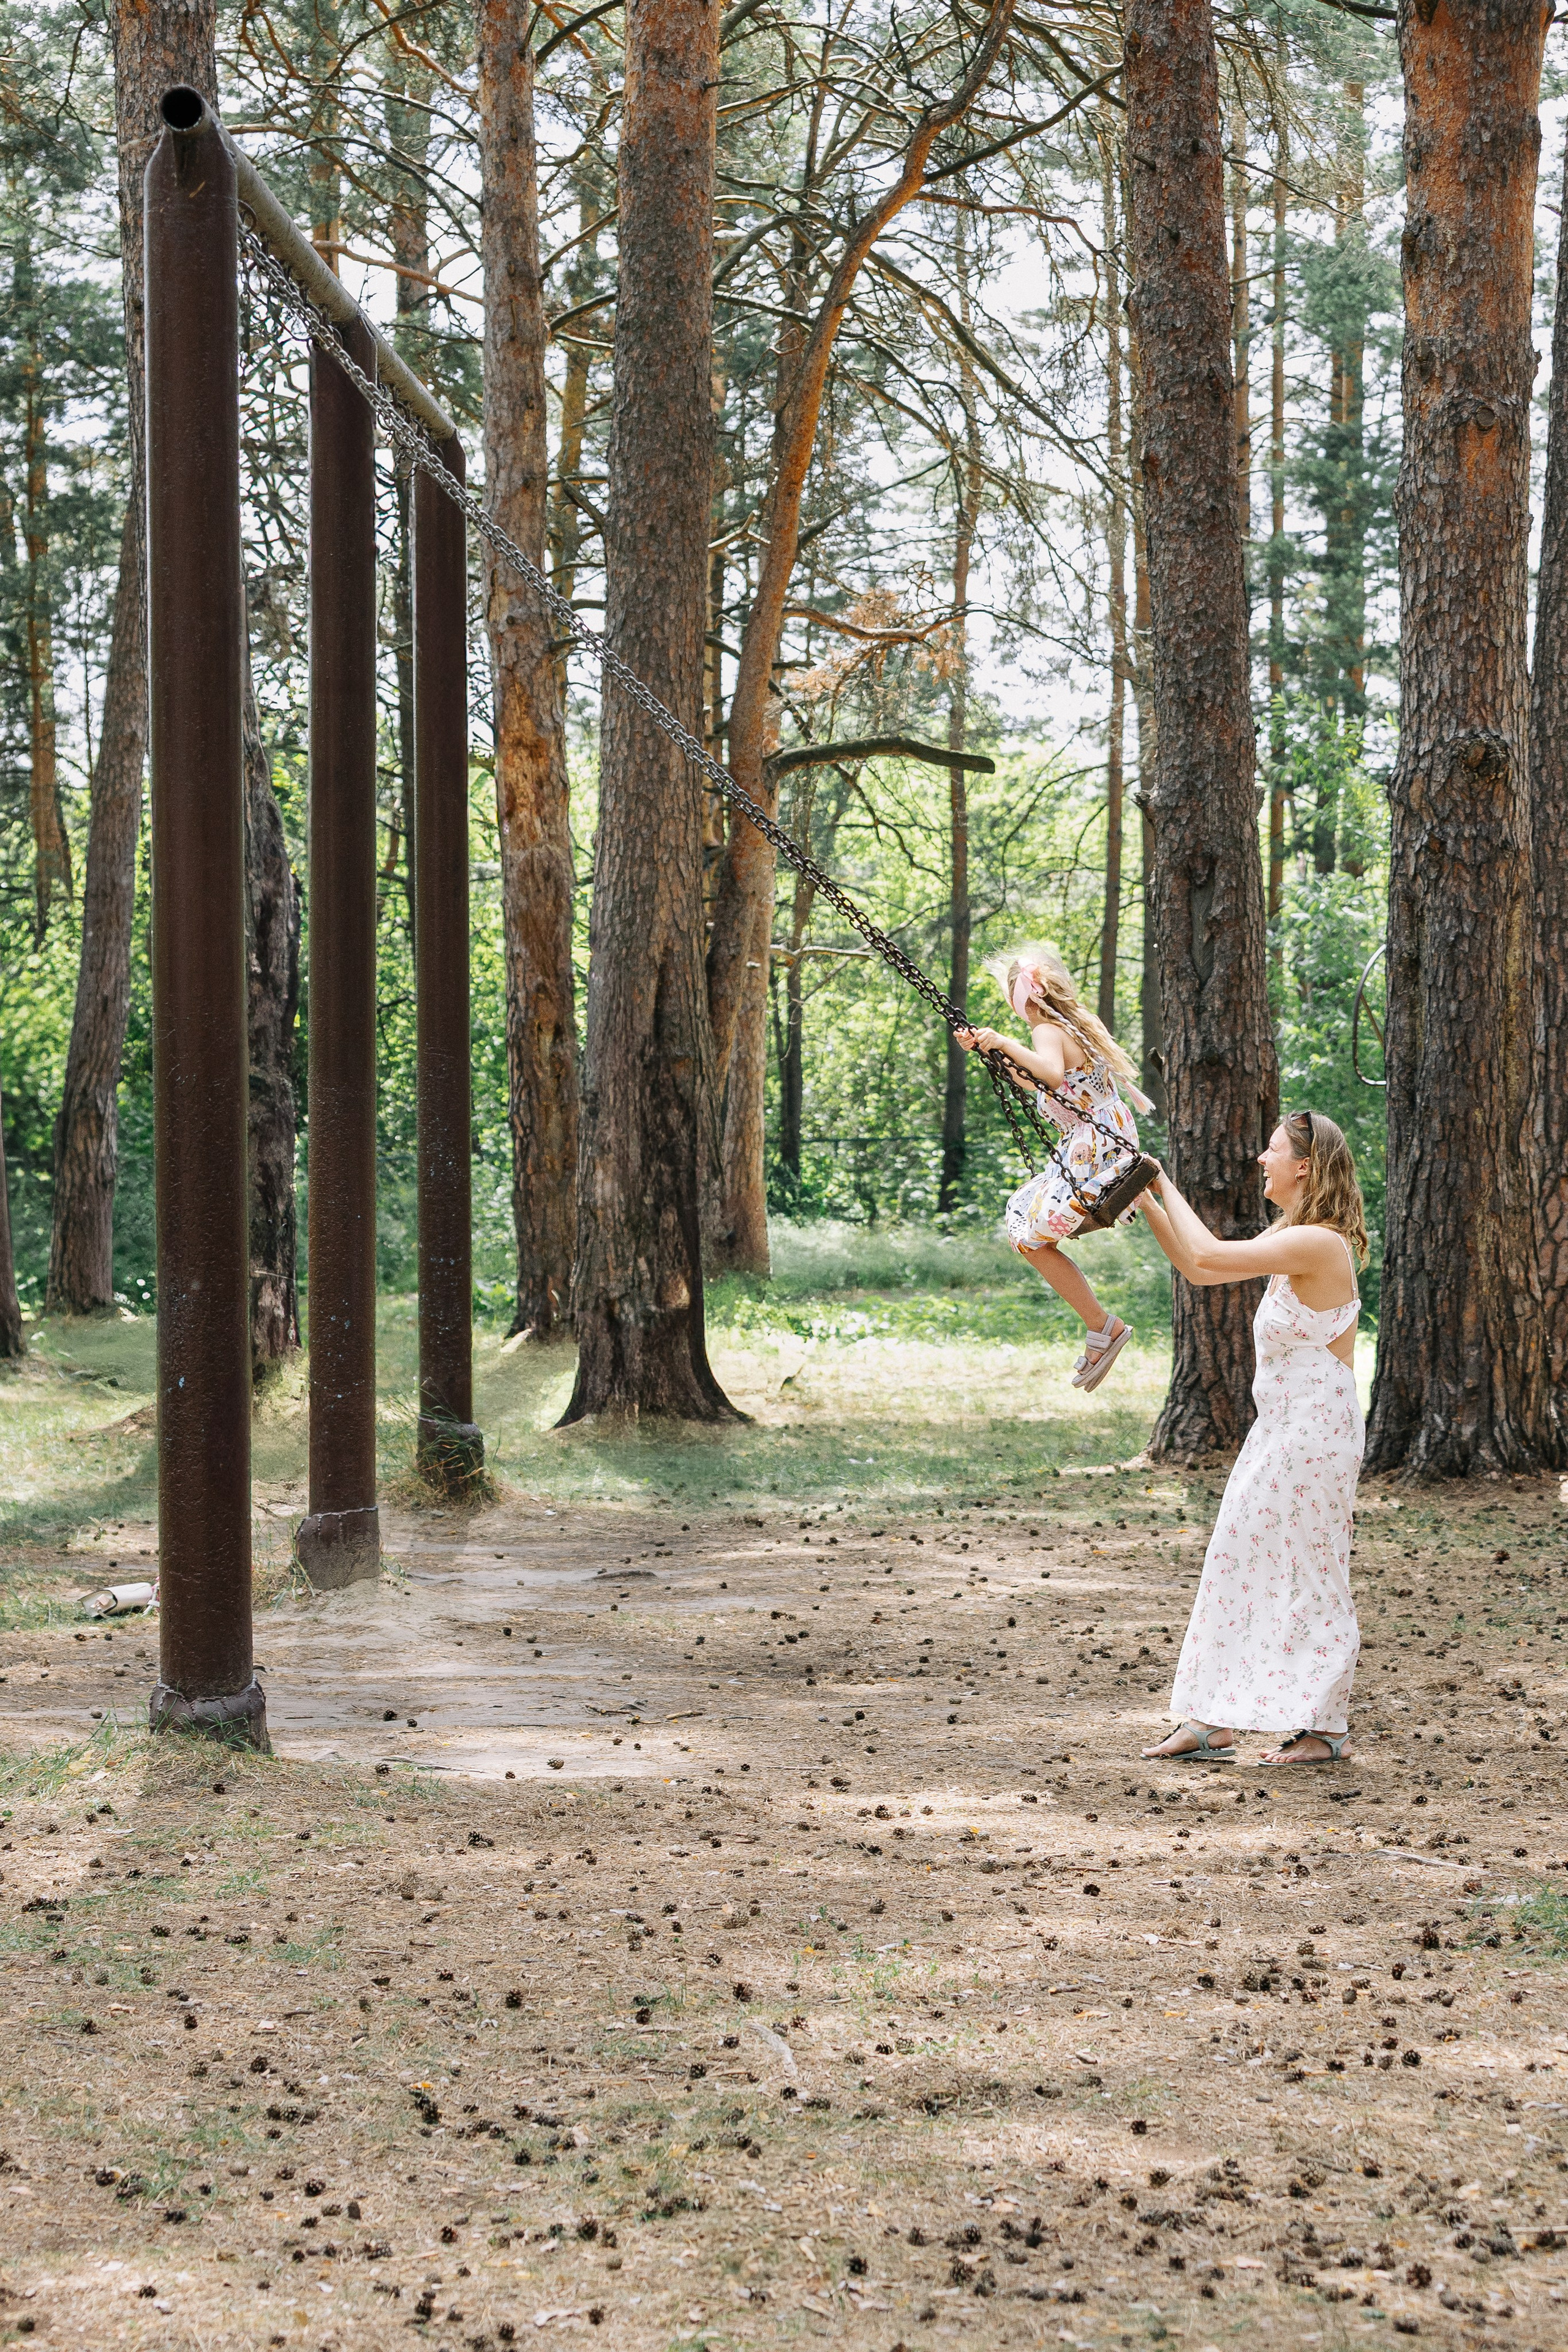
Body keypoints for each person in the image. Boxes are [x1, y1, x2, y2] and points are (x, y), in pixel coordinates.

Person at [1137, 1110, 1369, 1767]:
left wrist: (1157, 1177)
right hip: (1282, 1427)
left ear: (1304, 1165)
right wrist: (1146, 1197)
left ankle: (1324, 1728)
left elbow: (1209, 1253)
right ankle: (1211, 1722)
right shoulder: (1292, 1232)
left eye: (1270, 1152)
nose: (1259, 1161)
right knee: (1235, 1562)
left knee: (1310, 1571)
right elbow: (1199, 1270)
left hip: (1314, 1431)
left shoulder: (1319, 1243)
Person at [957, 944, 1154, 1392]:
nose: (1020, 1020)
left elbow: (1047, 1073)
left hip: (1092, 1146)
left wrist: (1004, 1042)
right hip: (1106, 1138)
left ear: (1028, 997)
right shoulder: (1074, 1026)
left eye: (1016, 1006)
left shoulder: (1046, 1029)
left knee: (1027, 1236)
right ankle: (1102, 1327)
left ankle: (1103, 1326)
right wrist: (993, 1051)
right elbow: (1042, 1079)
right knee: (1028, 1234)